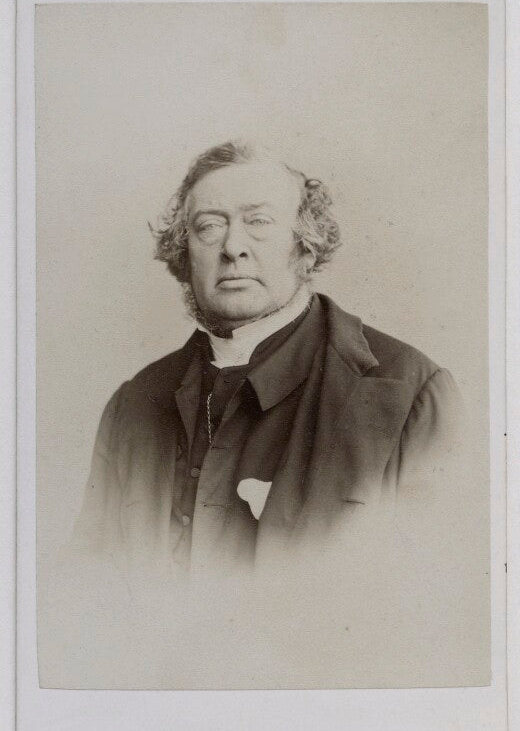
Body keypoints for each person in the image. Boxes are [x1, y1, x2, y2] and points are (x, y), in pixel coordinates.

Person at [71, 139, 463, 584]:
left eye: (259, 222)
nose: (233, 247)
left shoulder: (409, 393)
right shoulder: (135, 402)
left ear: (305, 246)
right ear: (184, 254)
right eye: (209, 226)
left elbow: (434, 597)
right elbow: (87, 587)